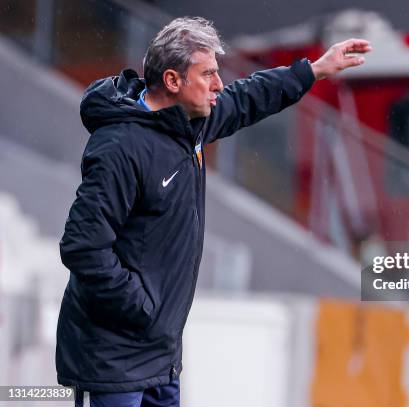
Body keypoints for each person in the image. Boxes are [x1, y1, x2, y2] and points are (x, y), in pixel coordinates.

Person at [56, 16, 371, 407]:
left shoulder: (190, 125)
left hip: (161, 355)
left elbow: (246, 98)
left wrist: (314, 70)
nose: (219, 85)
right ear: (173, 81)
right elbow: (82, 247)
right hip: (112, 362)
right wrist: (142, 308)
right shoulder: (120, 146)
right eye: (208, 75)